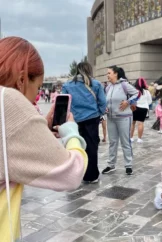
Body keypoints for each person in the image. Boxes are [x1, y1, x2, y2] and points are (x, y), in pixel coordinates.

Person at [0, 36, 88, 242]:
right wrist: (71, 133)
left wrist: (40, 132)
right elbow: (71, 173)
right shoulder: (8, 99)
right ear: (21, 79)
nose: (35, 95)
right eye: (38, 87)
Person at [62, 62, 106, 183]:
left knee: (75, 146)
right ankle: (91, 176)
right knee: (91, 147)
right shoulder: (96, 84)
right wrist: (100, 113)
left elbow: (64, 103)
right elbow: (103, 102)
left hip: (75, 119)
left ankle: (76, 175)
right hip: (92, 118)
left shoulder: (68, 85)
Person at [102, 65, 139, 175]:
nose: (107, 75)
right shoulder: (108, 87)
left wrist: (128, 102)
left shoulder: (124, 85)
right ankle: (111, 165)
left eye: (109, 73)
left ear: (115, 74)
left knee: (125, 142)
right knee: (112, 142)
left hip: (124, 118)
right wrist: (106, 107)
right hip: (111, 118)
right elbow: (106, 101)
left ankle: (128, 165)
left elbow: (137, 93)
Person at [130, 77, 152, 143]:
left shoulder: (134, 91)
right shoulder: (147, 91)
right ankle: (139, 139)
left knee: (132, 123)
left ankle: (131, 138)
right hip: (143, 108)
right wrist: (145, 104)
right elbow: (150, 101)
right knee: (141, 123)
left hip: (135, 108)